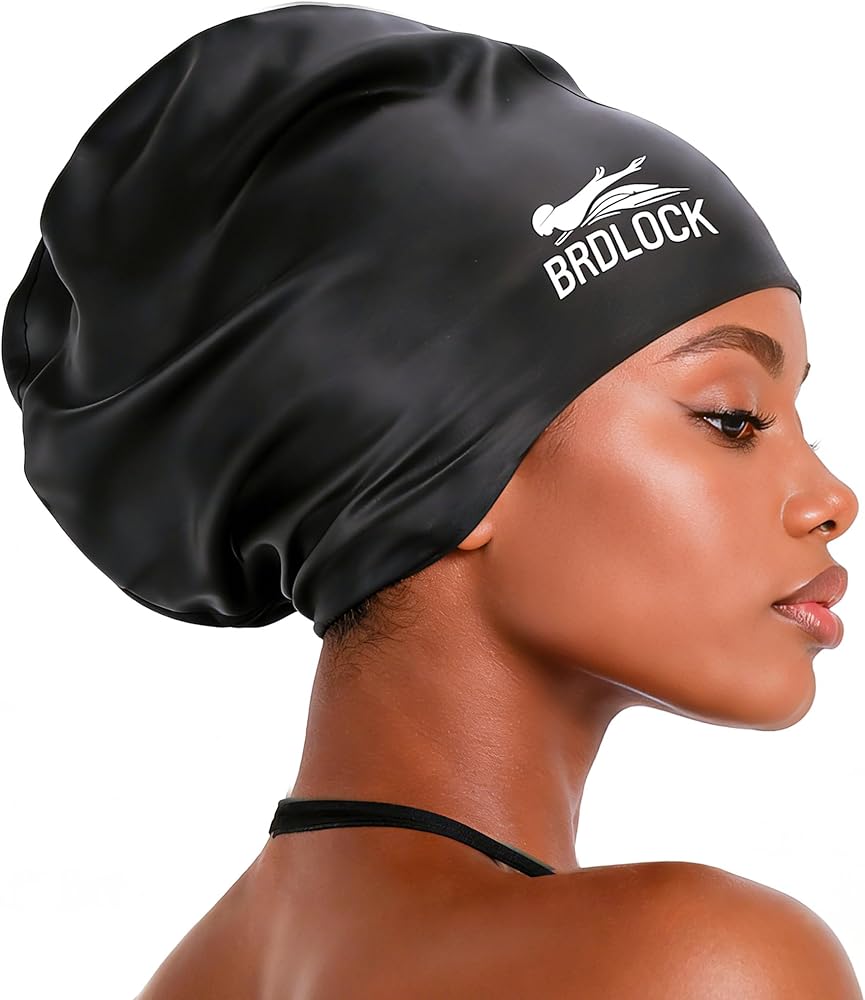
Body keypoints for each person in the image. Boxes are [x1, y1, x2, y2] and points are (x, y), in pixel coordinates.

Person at [3, 5, 861, 997]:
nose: (831, 499)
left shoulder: (190, 981)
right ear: (452, 460)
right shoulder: (697, 966)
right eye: (732, 418)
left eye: (800, 425)